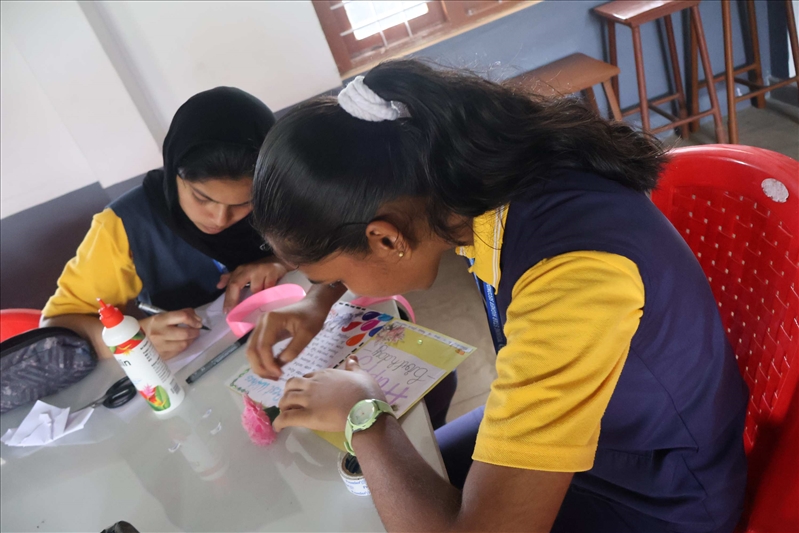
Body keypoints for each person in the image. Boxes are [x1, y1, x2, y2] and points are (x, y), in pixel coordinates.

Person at [245, 60, 749, 532]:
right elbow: (364, 249)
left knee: (387, 487)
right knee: (396, 483)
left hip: (657, 497)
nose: (342, 288)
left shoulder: (570, 279)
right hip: (603, 438)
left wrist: (364, 414)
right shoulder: (474, 184)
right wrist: (318, 299)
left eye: (334, 275)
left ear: (386, 240)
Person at [40, 87, 337, 359]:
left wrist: (283, 259)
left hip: (303, 343)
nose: (220, 218)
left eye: (243, 203)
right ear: (174, 172)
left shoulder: (280, 191)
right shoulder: (125, 225)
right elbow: (56, 328)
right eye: (201, 197)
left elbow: (337, 237)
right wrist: (132, 339)